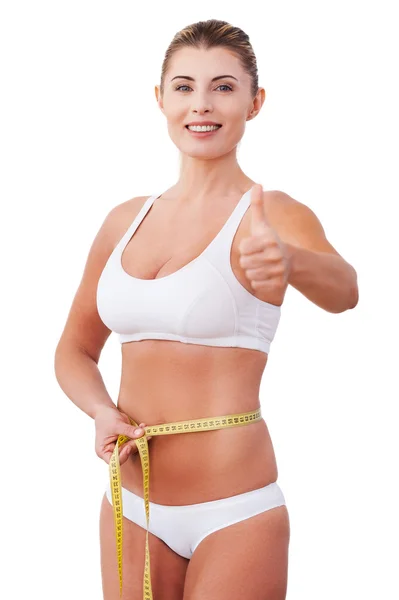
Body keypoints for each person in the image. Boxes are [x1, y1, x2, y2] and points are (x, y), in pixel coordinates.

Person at [54, 18, 359, 600]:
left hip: (234, 512)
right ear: (160, 99)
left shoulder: (270, 213)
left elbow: (346, 291)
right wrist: (99, 409)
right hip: (132, 504)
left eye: (223, 87)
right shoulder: (124, 219)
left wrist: (293, 263)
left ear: (254, 102)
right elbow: (74, 349)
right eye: (184, 87)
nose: (202, 105)